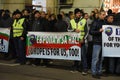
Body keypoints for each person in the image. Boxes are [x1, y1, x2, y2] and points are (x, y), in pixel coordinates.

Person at [70, 8, 88, 75]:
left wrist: (83, 38)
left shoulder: (84, 20)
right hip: (74, 41)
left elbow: (86, 31)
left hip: (81, 41)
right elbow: (68, 29)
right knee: (75, 54)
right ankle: (76, 68)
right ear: (75, 14)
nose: (79, 14)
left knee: (83, 55)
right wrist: (74, 30)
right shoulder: (71, 21)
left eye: (80, 13)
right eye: (77, 13)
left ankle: (85, 69)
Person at [90, 11, 106, 79]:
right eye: (103, 15)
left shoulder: (105, 22)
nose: (104, 16)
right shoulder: (95, 22)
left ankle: (99, 72)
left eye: (105, 15)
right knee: (95, 59)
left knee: (101, 59)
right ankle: (94, 72)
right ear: (99, 15)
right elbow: (91, 32)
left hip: (103, 43)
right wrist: (98, 31)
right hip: (97, 42)